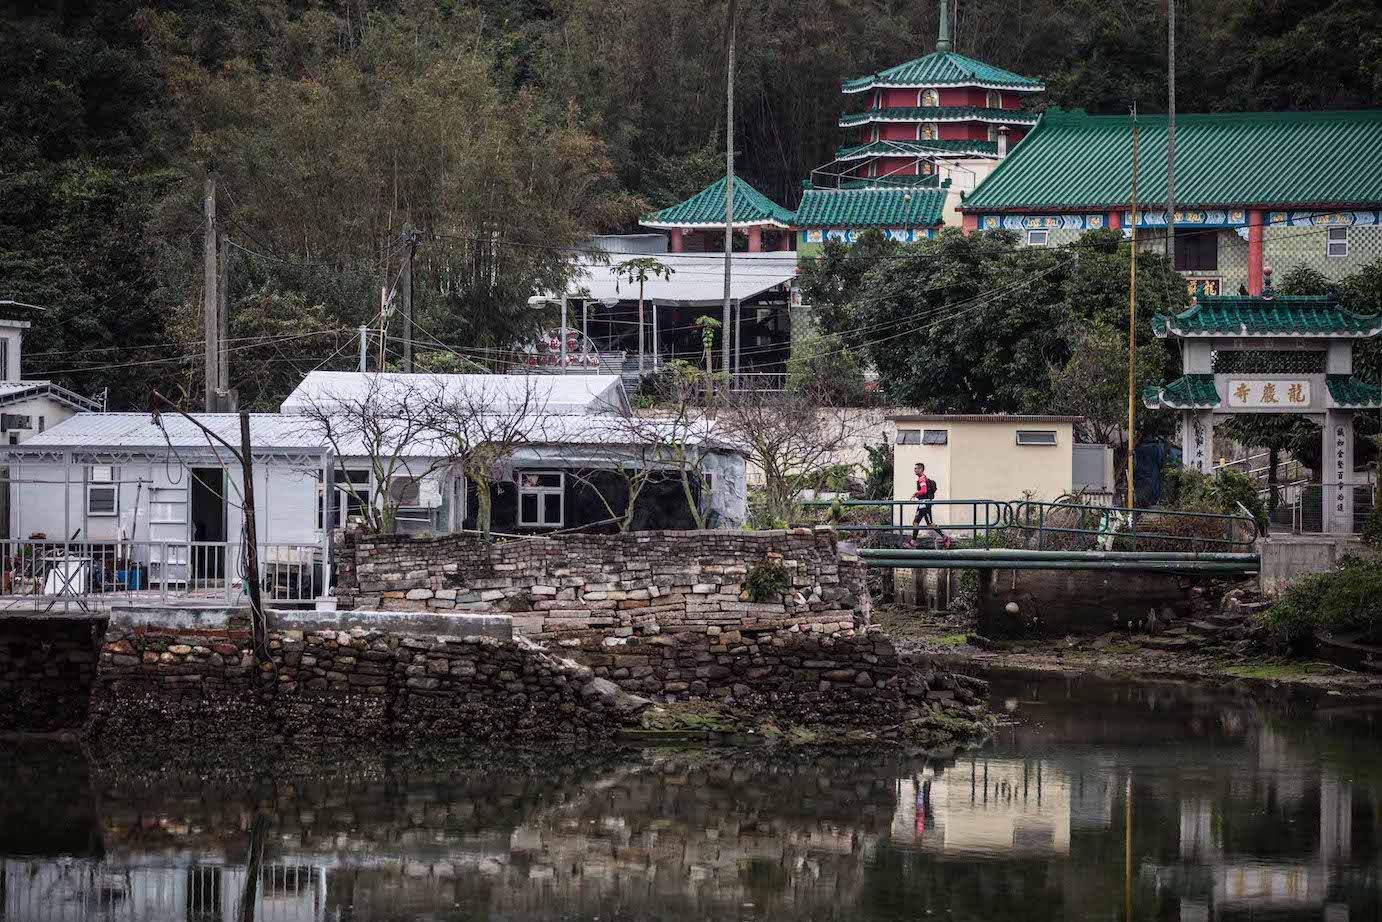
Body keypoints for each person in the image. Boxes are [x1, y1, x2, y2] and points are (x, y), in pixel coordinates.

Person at [908, 462, 950, 547]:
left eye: (916, 468)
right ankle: (944, 537)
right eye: (915, 468)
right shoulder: (923, 478)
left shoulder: (922, 479)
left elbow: (924, 490)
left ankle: (913, 542)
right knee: (926, 524)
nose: (915, 470)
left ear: (921, 469)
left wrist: (915, 493)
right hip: (924, 504)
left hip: (924, 504)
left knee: (919, 523)